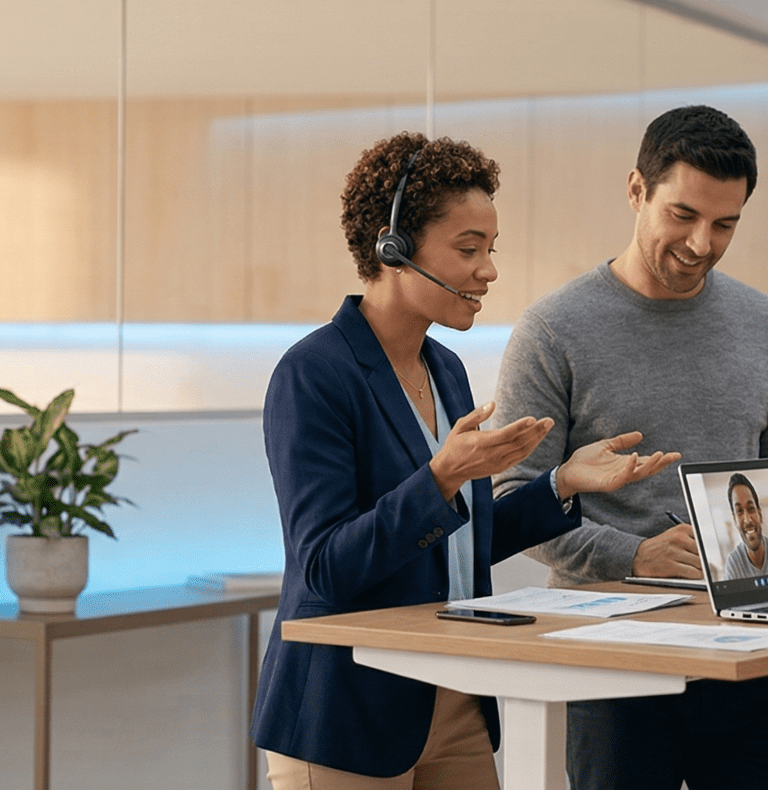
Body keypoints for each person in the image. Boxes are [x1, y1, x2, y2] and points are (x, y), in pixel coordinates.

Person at [256, 132, 676, 790]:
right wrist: (442, 476)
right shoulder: (313, 374)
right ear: (392, 248)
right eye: (467, 248)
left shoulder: (445, 370)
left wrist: (561, 484)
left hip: (452, 693)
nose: (488, 270)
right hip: (349, 707)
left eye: (490, 248)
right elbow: (323, 570)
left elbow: (458, 542)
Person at [491, 105, 768, 790]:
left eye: (724, 223)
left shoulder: (763, 323)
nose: (702, 242)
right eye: (682, 215)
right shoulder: (553, 330)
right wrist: (631, 555)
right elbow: (513, 497)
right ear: (636, 190)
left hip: (747, 649)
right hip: (613, 661)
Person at [718, 473, 768, 580]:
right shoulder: (733, 563)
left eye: (751, 508)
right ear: (734, 520)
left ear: (760, 514)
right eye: (739, 511)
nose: (747, 520)